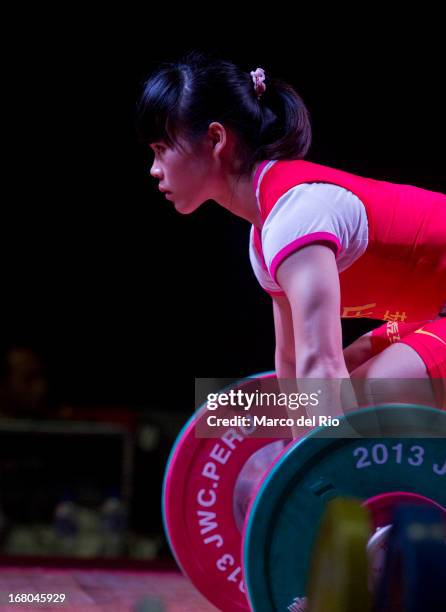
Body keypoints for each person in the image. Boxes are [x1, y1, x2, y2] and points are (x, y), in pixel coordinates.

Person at [137, 51, 446, 413]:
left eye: (162, 149)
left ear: (216, 139)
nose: (154, 169)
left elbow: (321, 368)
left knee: (358, 401)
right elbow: (294, 366)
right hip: (433, 313)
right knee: (346, 374)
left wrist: (312, 466)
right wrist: (291, 452)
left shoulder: (296, 215)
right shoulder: (266, 239)